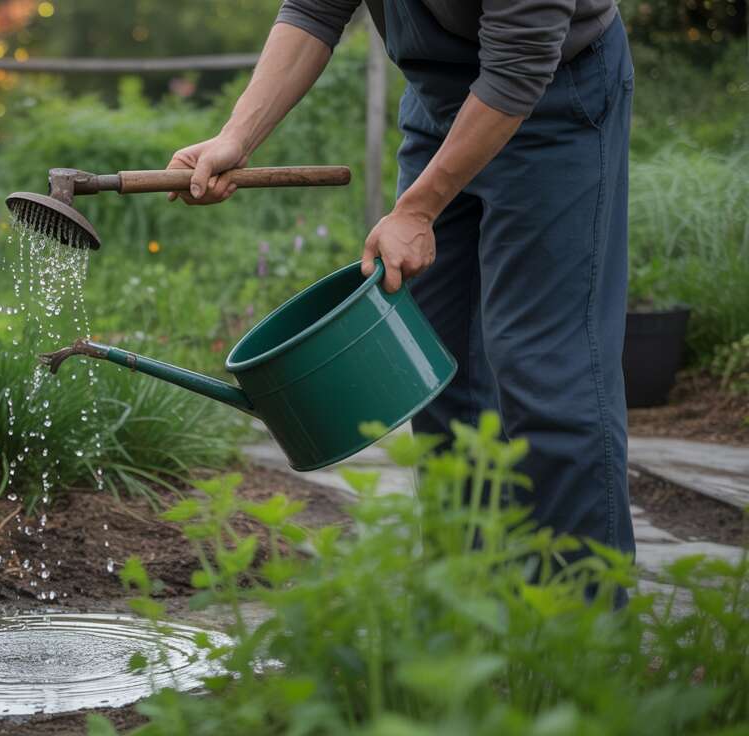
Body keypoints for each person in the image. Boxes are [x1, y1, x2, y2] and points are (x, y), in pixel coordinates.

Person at [169, 0, 636, 569]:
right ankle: (466, 619)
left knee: (547, 374)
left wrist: (416, 212)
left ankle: (580, 631)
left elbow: (520, 62)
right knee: (437, 370)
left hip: (553, 97)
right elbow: (315, 9)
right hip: (441, 99)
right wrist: (236, 136)